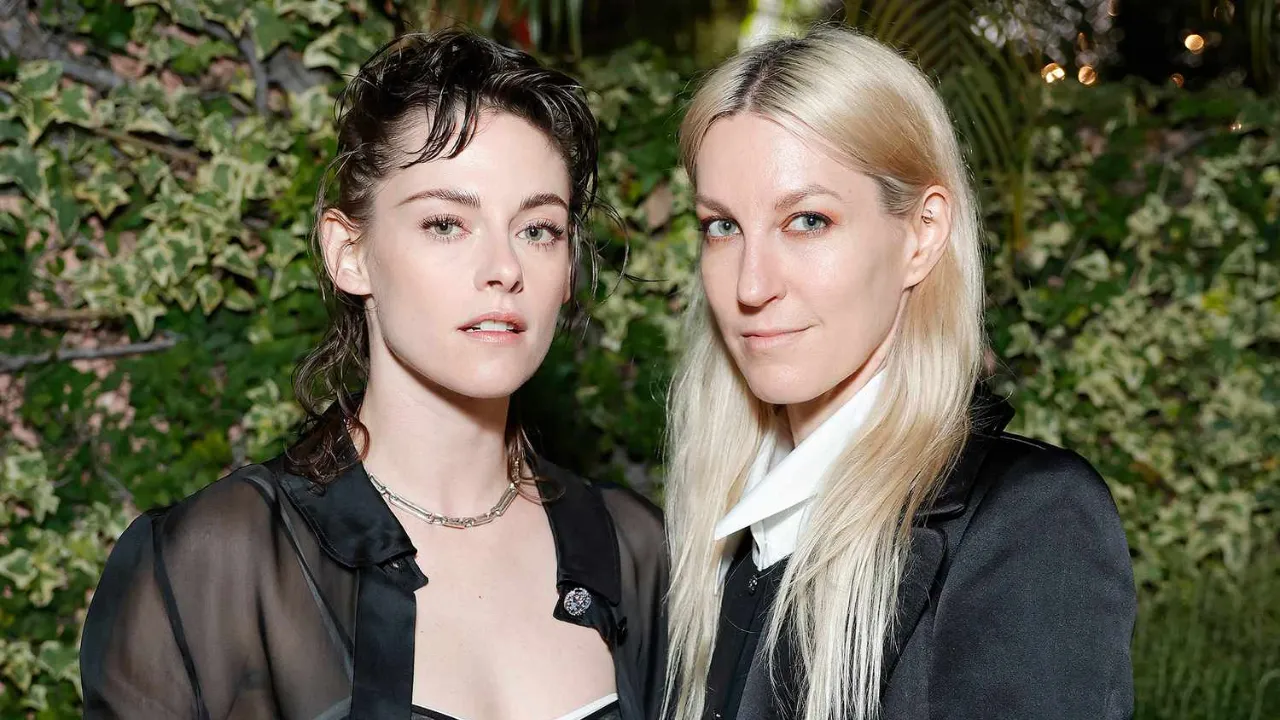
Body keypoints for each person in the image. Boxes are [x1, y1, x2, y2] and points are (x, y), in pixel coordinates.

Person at [80, 29, 666, 720]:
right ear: (350, 253)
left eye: (537, 229)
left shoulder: (636, 551)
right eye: (446, 223)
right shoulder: (219, 559)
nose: (504, 269)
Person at [661, 25, 1136, 720]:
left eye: (808, 221)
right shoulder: (721, 524)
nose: (751, 284)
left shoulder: (1028, 523)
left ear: (922, 233)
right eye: (722, 226)